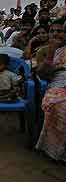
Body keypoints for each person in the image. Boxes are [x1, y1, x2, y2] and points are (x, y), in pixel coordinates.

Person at [36, 18, 66, 161]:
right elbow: (41, 74)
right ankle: (55, 151)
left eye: (59, 31)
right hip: (57, 86)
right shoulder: (44, 50)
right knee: (59, 106)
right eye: (52, 31)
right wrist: (51, 53)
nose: (55, 34)